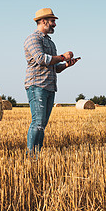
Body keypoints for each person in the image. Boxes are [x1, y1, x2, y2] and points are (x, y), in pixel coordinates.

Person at [24, 8, 79, 155]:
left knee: (42, 124)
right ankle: (31, 155)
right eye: (52, 21)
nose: (54, 24)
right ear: (43, 21)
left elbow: (54, 67)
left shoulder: (50, 43)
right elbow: (42, 59)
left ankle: (37, 153)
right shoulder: (33, 39)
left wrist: (66, 65)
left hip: (49, 86)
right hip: (37, 85)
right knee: (38, 123)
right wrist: (62, 57)